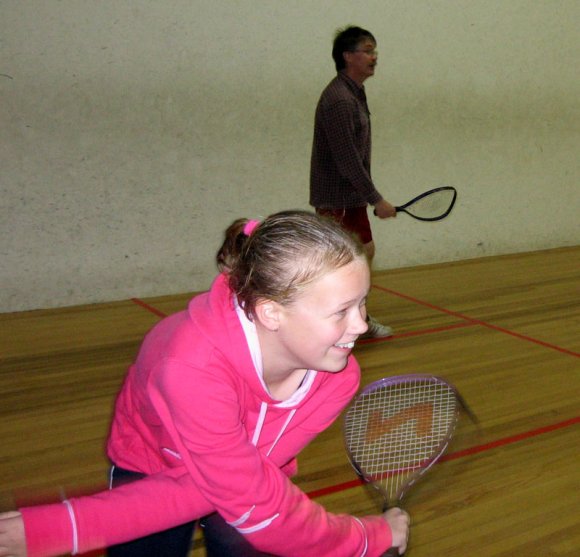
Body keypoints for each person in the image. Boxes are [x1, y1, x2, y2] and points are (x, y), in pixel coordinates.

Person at [0, 210, 409, 557]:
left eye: (363, 303)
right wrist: (373, 537)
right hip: (149, 465)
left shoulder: (336, 377)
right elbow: (249, 505)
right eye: (341, 311)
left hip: (248, 468)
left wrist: (62, 526)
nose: (361, 325)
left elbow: (241, 495)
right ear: (270, 314)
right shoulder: (188, 368)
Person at [310, 26, 396, 338]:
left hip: (348, 198)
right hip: (339, 198)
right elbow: (347, 159)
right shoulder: (340, 100)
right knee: (347, 262)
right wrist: (377, 199)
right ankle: (336, 322)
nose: (375, 57)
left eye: (375, 51)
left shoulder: (352, 93)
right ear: (348, 56)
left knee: (360, 255)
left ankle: (350, 319)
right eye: (368, 50)